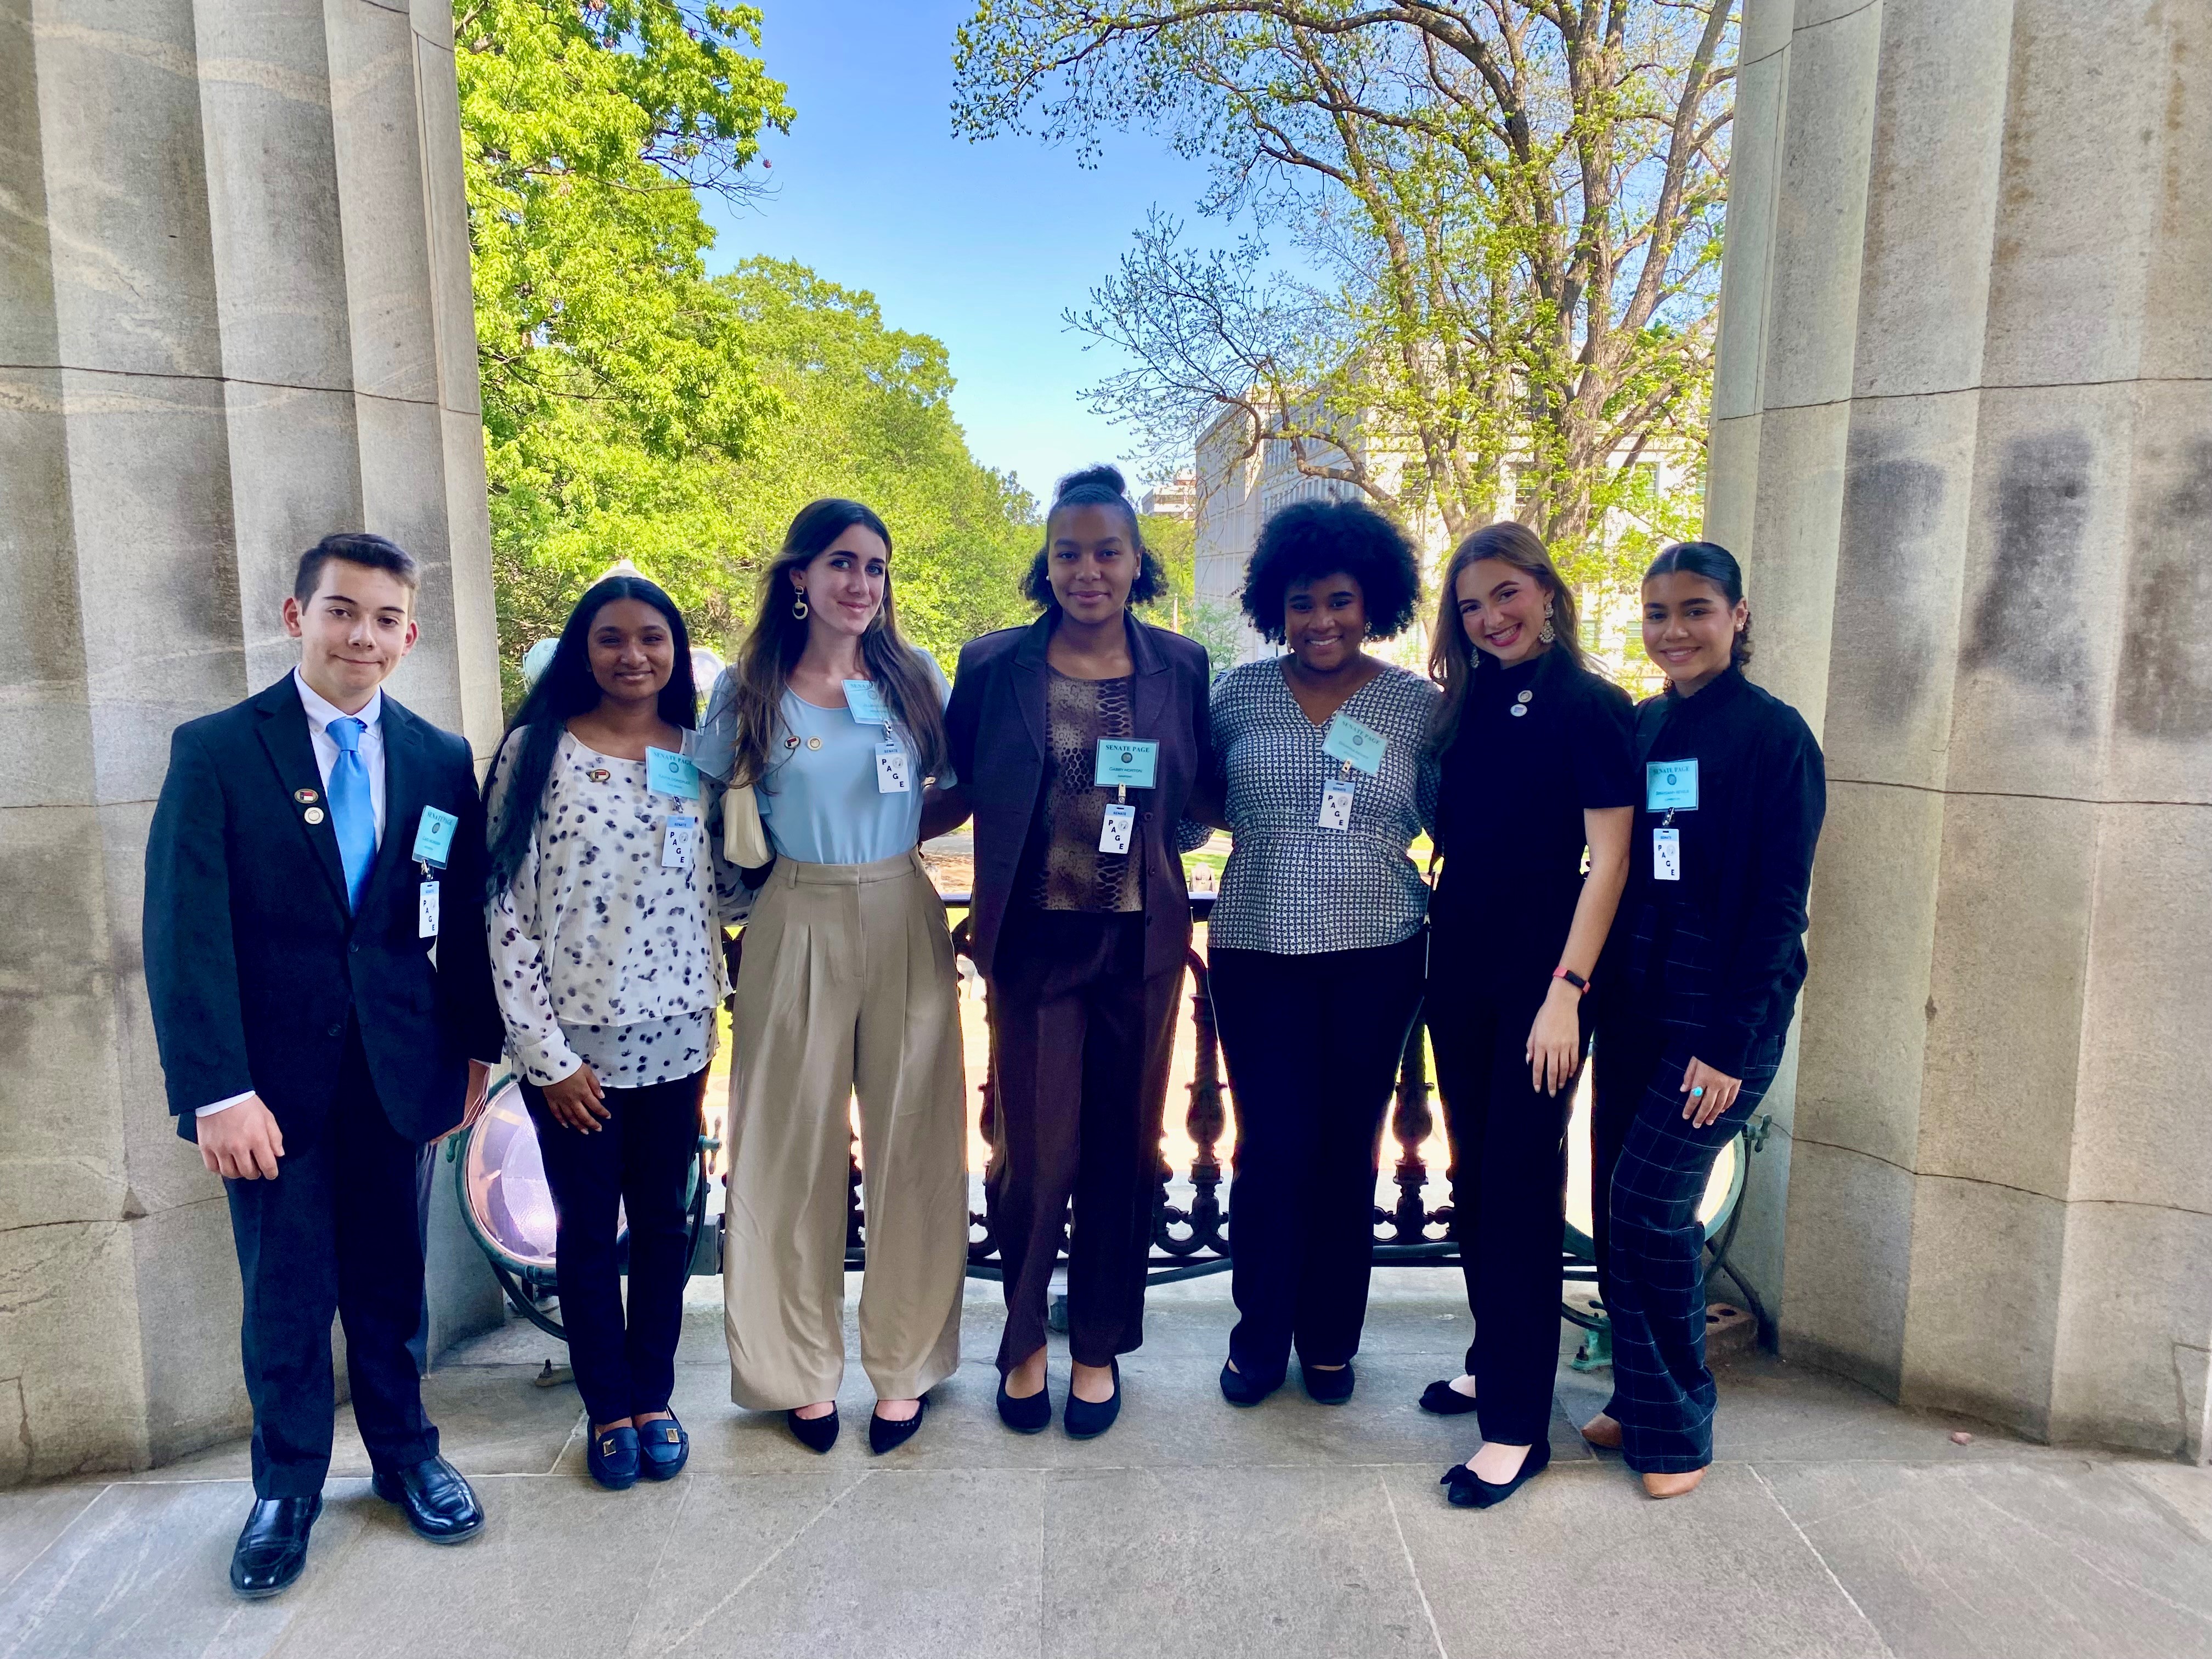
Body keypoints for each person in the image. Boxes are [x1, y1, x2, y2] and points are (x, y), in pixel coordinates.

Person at [144, 533, 502, 1599]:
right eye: (343, 611)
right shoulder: (217, 752)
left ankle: (407, 1457)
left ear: (410, 634)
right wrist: (216, 1090)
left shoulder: (441, 759)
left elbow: (467, 920)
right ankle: (286, 1488)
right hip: (269, 1094)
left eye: (386, 619)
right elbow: (183, 933)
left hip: (401, 1074)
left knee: (394, 1285)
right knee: (288, 1295)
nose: (364, 635)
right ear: (299, 618)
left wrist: (475, 1053)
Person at [934, 465, 1212, 1438]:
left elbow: (1203, 798)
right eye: (1068, 553)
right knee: (1031, 1154)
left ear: (1138, 563)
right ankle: (1025, 1344)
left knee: (1125, 1153)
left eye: (1107, 551)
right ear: (1044, 563)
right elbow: (956, 784)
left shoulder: (1181, 665)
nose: (1087, 569)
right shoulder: (993, 663)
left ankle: (1097, 1345)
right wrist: (842, 827)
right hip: (1035, 949)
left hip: (1140, 946)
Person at [695, 499, 968, 1457]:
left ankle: (906, 1365)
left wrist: (900, 851)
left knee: (916, 1144)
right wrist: (736, 918)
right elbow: (702, 810)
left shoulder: (914, 678)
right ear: (800, 578)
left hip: (902, 907)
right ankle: (794, 1369)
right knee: (785, 1149)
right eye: (843, 564)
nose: (862, 584)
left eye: (877, 568)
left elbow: (956, 786)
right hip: (794, 914)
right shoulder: (750, 687)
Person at [1580, 540, 1825, 1499]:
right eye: (1657, 614)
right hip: (1636, 1008)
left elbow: (1778, 906)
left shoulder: (1774, 738)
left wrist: (1728, 1045)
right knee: (1617, 1211)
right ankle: (1639, 1398)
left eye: (1694, 611)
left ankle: (1678, 1427)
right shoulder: (1642, 728)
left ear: (1739, 616)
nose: (1673, 632)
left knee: (1651, 1210)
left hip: (1718, 1025)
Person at [482, 574, 725, 1491]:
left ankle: (653, 1395)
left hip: (681, 1038)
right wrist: (546, 1058)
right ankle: (607, 1406)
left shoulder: (699, 756)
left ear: (675, 649)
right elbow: (502, 907)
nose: (634, 656)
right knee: (589, 1231)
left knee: (665, 1224)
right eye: (613, 638)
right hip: (574, 1052)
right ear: (583, 648)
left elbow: (720, 885)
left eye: (653, 638)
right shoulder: (536, 751)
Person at [1414, 522, 1635, 1510]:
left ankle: (1516, 1425)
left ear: (1547, 591)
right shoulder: (1463, 705)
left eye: (1506, 594)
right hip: (1457, 961)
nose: (1491, 617)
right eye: (1470, 605)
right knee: (1474, 1175)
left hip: (1542, 978)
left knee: (1516, 1188)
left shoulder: (1593, 706)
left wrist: (1566, 992)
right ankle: (1490, 1356)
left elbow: (1612, 862)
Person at [1200, 498, 1437, 1408]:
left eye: (1340, 601)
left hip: (1378, 953)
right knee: (1274, 1149)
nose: (1322, 621)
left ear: (1371, 600)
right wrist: (1268, 831)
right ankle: (1259, 1336)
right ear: (1275, 607)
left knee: (1349, 1150)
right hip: (1258, 948)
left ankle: (1332, 1339)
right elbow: (1194, 802)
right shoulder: (1237, 694)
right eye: (1302, 604)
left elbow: (1459, 815)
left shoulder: (1418, 705)